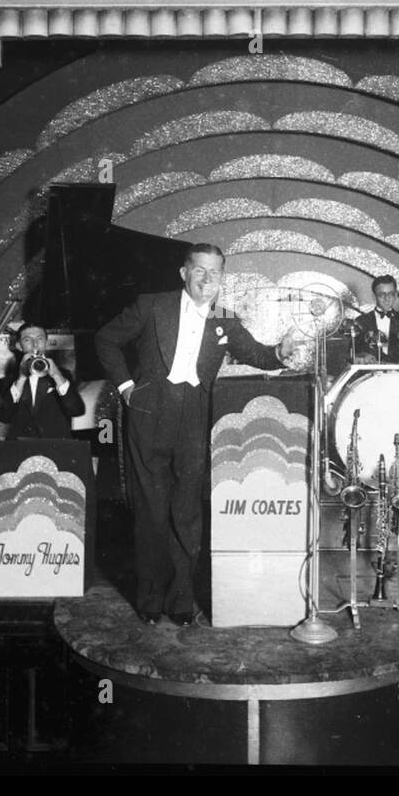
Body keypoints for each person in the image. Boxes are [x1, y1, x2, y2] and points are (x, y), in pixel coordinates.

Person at [95, 243, 295, 626]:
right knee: (151, 512)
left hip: (194, 417)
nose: (207, 279)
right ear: (183, 273)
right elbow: (105, 339)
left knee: (186, 513)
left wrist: (280, 354)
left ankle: (181, 602)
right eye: (199, 270)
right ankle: (150, 602)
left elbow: (257, 353)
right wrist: (125, 387)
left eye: (215, 272)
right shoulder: (152, 305)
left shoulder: (225, 318)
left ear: (222, 277)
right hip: (149, 413)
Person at [0, 324, 85, 439]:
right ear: (19, 346)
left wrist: (57, 376)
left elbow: (77, 410)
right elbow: (4, 417)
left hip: (56, 447)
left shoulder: (63, 375)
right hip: (21, 449)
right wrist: (21, 378)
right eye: (27, 340)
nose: (35, 344)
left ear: (46, 343)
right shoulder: (11, 380)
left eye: (40, 339)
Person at [354, 275, 399, 364]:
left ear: (396, 295)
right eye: (382, 294)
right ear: (374, 296)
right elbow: (351, 354)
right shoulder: (361, 321)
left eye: (390, 294)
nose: (387, 298)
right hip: (370, 376)